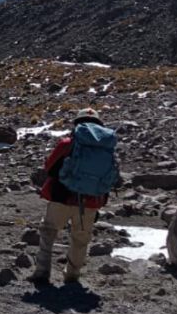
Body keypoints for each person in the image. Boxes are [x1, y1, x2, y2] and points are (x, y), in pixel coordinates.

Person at [29, 108, 120, 285]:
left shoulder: (67, 144)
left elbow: (49, 167)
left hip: (62, 196)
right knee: (80, 238)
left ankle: (42, 272)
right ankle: (72, 274)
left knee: (48, 232)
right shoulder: (107, 148)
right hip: (91, 200)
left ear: (78, 124)